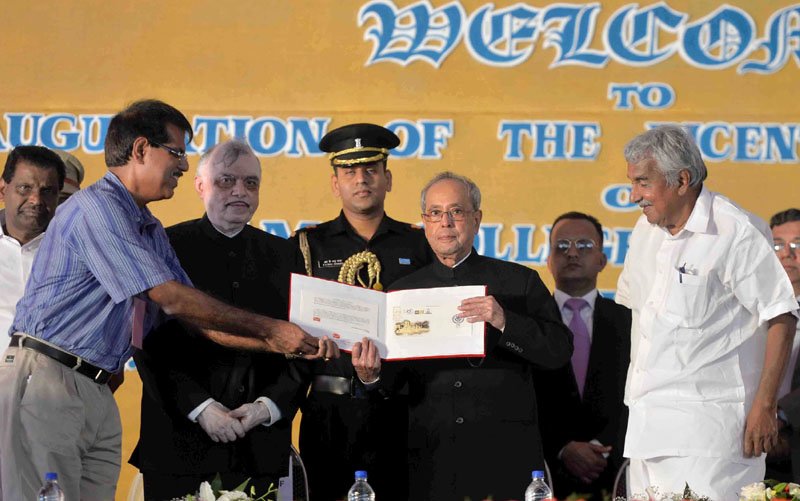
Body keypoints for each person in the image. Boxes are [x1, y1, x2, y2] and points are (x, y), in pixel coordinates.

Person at [0, 99, 336, 501]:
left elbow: (193, 318)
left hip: (96, 387)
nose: (183, 165)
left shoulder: (149, 227)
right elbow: (170, 299)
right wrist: (273, 331)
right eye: (176, 152)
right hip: (50, 380)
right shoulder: (96, 209)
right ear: (141, 149)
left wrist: (287, 344)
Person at [357, 171, 573, 500]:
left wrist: (505, 321)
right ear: (425, 222)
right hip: (428, 461)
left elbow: (559, 351)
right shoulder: (401, 293)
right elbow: (393, 384)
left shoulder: (520, 282)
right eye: (435, 213)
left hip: (504, 458)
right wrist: (371, 376)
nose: (445, 222)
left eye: (456, 211)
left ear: (477, 219)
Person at [616, 125, 797, 499]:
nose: (634, 196)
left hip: (710, 434)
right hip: (646, 428)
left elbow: (781, 315)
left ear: (682, 180)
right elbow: (638, 319)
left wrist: (765, 405)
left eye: (643, 183)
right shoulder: (644, 230)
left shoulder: (735, 230)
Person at [130, 139, 308, 499]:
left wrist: (265, 408)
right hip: (179, 444)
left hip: (258, 447)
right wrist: (202, 408)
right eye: (226, 181)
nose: (240, 191)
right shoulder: (163, 246)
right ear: (200, 186)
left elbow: (303, 346)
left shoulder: (285, 255)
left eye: (250, 182)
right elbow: (144, 342)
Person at [291, 123, 432, 501]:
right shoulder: (308, 245)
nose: (361, 180)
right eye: (349, 172)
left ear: (388, 178)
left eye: (371, 170)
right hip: (329, 413)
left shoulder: (419, 244)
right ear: (335, 183)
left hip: (402, 412)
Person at [536, 211, 630, 499]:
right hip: (545, 473)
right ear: (548, 261)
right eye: (562, 246)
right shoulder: (529, 323)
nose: (573, 253)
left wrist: (602, 447)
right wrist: (562, 447)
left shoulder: (629, 321)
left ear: (602, 260)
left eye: (585, 245)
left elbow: (639, 394)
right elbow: (521, 398)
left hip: (615, 471)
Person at [0, 146, 65, 354]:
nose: (36, 200)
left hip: (52, 374)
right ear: (3, 190)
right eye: (24, 188)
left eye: (47, 191)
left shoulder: (75, 251)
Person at [767, 209, 800, 481]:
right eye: (778, 245)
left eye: (798, 244)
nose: (787, 254)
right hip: (753, 444)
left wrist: (781, 415)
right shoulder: (749, 308)